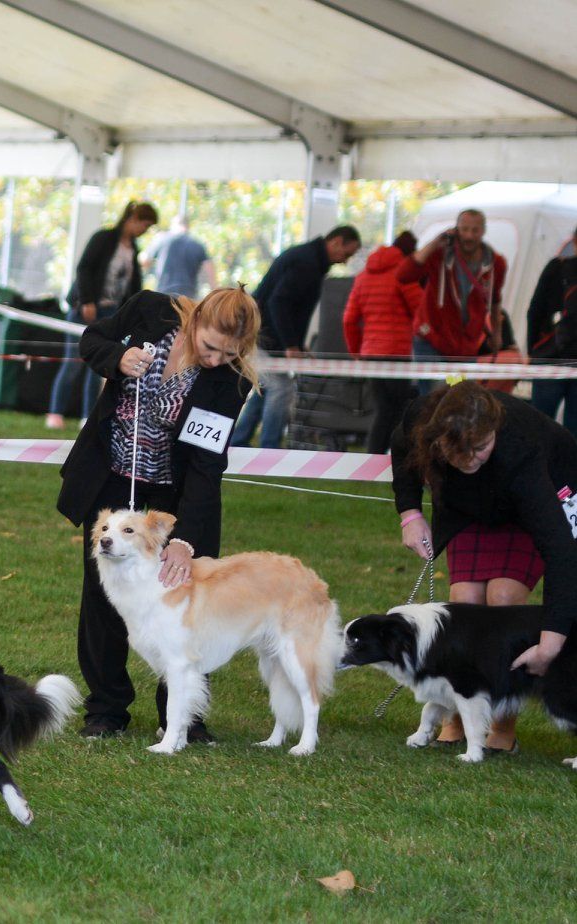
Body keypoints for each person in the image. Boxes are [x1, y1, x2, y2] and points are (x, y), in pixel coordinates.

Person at [56, 287, 261, 740]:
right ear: (197, 318)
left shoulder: (231, 383)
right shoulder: (148, 310)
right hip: (111, 476)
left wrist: (186, 538)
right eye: (210, 347)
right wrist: (118, 357)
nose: (215, 360)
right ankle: (106, 710)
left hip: (175, 491)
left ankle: (182, 715)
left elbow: (208, 466)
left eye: (229, 354)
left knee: (187, 599)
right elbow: (90, 340)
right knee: (104, 596)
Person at [391, 381, 577, 750]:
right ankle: (460, 716)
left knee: (505, 598)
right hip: (466, 508)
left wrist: (551, 643)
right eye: (458, 452)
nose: (471, 460)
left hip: (535, 500)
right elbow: (401, 447)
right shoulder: (421, 418)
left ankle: (502, 729)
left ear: (492, 432)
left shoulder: (523, 452)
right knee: (464, 600)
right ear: (438, 440)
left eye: (480, 448)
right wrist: (409, 511)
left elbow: (562, 553)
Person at [231, 225, 362, 448]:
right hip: (268, 336)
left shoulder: (307, 258)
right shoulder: (307, 263)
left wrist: (297, 344)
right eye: (347, 253)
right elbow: (279, 303)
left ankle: (239, 439)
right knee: (280, 388)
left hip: (262, 332)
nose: (345, 261)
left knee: (265, 385)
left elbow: (287, 305)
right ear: (336, 241)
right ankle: (269, 447)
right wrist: (290, 344)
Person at [47, 201, 158, 428]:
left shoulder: (133, 248)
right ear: (133, 218)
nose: (144, 231)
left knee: (97, 366)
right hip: (84, 310)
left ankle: (87, 416)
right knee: (73, 362)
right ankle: (55, 413)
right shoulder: (103, 238)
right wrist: (87, 301)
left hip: (110, 312)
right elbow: (84, 268)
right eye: (144, 225)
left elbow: (133, 285)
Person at [399, 209, 508, 394]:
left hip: (465, 345)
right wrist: (435, 243)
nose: (469, 236)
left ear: (483, 231)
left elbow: (495, 300)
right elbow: (404, 275)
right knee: (436, 394)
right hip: (430, 338)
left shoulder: (496, 263)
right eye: (464, 229)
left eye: (475, 230)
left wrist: (497, 333)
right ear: (456, 229)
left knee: (460, 394)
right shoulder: (440, 255)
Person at [343, 230, 423, 454]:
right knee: (401, 409)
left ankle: (374, 456)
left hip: (370, 353)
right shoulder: (404, 274)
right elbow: (419, 310)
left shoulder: (362, 276)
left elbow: (349, 320)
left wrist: (356, 351)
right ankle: (400, 456)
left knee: (384, 409)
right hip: (396, 352)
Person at [527, 225, 577, 438]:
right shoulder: (556, 268)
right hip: (552, 358)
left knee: (539, 427)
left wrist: (532, 350)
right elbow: (535, 310)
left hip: (550, 356)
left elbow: (534, 311)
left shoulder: (556, 267)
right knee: (569, 430)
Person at [144, 213, 215, 299]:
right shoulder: (197, 245)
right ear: (187, 226)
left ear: (173, 225)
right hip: (188, 298)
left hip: (163, 295)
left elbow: (145, 261)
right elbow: (210, 272)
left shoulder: (161, 240)